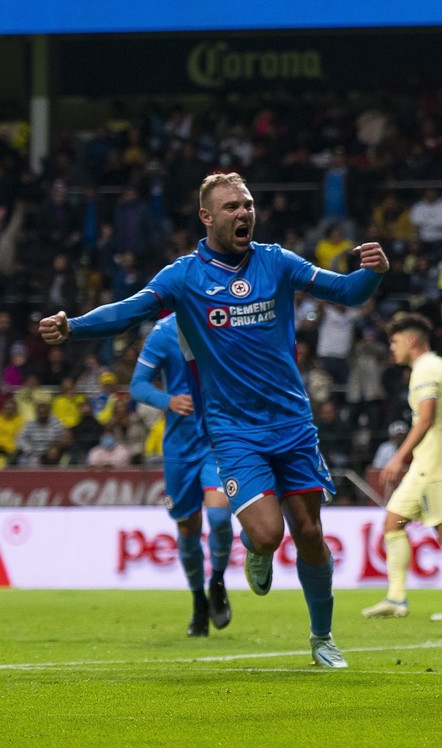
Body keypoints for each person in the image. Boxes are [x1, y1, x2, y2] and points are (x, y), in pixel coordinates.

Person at [40, 172, 388, 668]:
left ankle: (322, 638)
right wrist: (73, 327)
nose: (243, 213)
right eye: (231, 207)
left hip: (293, 423)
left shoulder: (276, 261)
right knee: (269, 533)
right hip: (233, 431)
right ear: (206, 216)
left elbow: (346, 292)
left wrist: (374, 272)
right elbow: (129, 311)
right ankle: (256, 547)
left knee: (309, 533)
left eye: (247, 205)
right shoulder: (183, 277)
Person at [363, 313, 442, 622]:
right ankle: (396, 598)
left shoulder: (425, 369)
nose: (392, 348)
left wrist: (399, 456)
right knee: (393, 522)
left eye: (395, 341)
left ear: (411, 341)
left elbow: (425, 417)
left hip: (433, 465)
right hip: (431, 462)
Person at [130, 314, 235, 637]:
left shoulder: (223, 319)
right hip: (180, 448)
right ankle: (198, 601)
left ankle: (217, 581)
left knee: (218, 516)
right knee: (188, 528)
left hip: (217, 439)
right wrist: (168, 400)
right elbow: (137, 385)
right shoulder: (163, 333)